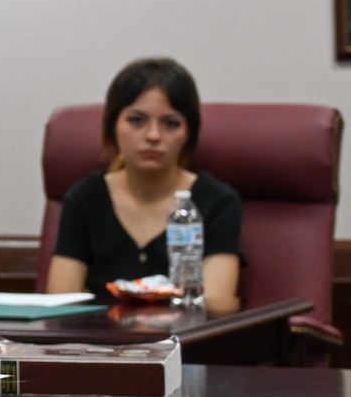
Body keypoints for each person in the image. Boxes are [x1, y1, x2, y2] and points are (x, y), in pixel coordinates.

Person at [46, 58, 242, 311]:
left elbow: (217, 306)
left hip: (186, 345)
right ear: (113, 126)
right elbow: (60, 303)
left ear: (189, 133)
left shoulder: (216, 201)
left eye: (170, 123)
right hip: (96, 345)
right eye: (137, 120)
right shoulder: (85, 199)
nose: (153, 136)